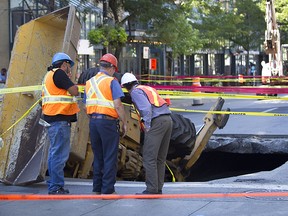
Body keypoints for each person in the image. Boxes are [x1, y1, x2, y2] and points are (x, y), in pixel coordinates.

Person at [121, 73, 173, 194]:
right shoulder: (146, 88)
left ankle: (151, 189)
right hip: (168, 120)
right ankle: (158, 188)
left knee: (149, 157)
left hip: (157, 122)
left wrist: (148, 126)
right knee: (160, 158)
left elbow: (145, 109)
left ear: (126, 86)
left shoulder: (135, 92)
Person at [85, 53, 127, 194]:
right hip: (108, 123)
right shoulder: (111, 81)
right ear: (112, 68)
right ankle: (108, 190)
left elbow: (87, 106)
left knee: (98, 156)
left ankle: (97, 188)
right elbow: (118, 105)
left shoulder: (89, 82)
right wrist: (124, 122)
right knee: (110, 156)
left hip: (93, 122)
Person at [42, 52, 80, 194]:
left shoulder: (49, 75)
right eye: (69, 66)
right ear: (64, 64)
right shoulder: (59, 74)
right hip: (59, 120)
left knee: (54, 153)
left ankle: (54, 184)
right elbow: (74, 91)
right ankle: (56, 187)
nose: (70, 69)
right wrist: (70, 80)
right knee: (59, 155)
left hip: (52, 119)